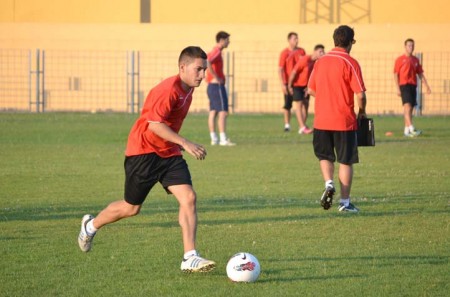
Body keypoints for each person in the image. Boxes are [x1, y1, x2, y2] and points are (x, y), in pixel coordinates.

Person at [78, 46, 216, 273]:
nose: (203, 75)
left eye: (204, 70)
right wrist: (185, 142)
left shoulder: (188, 88)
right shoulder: (168, 90)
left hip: (168, 153)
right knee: (131, 208)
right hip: (143, 152)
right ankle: (90, 226)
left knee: (189, 197)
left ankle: (190, 256)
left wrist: (177, 144)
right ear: (182, 67)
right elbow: (154, 125)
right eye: (198, 70)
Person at [307, 25, 367, 213]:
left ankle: (329, 183)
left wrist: (327, 97)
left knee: (325, 156)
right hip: (344, 120)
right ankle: (345, 203)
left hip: (321, 120)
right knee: (346, 161)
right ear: (350, 42)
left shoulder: (320, 62)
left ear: (334, 40)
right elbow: (360, 95)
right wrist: (362, 111)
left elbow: (311, 89)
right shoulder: (350, 62)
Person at [394, 38, 431, 137]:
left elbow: (420, 73)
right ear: (405, 47)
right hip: (404, 85)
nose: (411, 47)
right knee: (407, 106)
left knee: (410, 108)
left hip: (413, 85)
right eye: (409, 45)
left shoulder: (415, 60)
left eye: (412, 45)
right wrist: (397, 88)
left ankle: (406, 130)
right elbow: (395, 74)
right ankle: (411, 127)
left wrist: (426, 85)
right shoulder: (400, 60)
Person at [288, 44, 325, 134]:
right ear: (315, 51)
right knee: (299, 105)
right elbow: (294, 72)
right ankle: (302, 127)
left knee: (306, 105)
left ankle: (302, 126)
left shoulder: (317, 63)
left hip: (306, 87)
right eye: (320, 51)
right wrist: (289, 85)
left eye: (323, 52)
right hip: (297, 85)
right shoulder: (305, 60)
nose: (322, 53)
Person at [206, 31, 235, 146]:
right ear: (222, 40)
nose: (229, 42)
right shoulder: (217, 51)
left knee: (213, 112)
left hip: (211, 86)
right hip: (216, 86)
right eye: (227, 40)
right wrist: (216, 77)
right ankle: (223, 139)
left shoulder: (216, 51)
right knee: (223, 112)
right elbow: (207, 61)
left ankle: (214, 138)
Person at [278, 32, 306, 132]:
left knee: (302, 103)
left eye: (297, 38)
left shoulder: (301, 51)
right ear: (289, 40)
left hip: (298, 83)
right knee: (287, 104)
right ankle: (287, 125)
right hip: (287, 82)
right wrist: (282, 84)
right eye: (294, 39)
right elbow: (280, 69)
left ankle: (302, 125)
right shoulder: (284, 53)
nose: (297, 40)